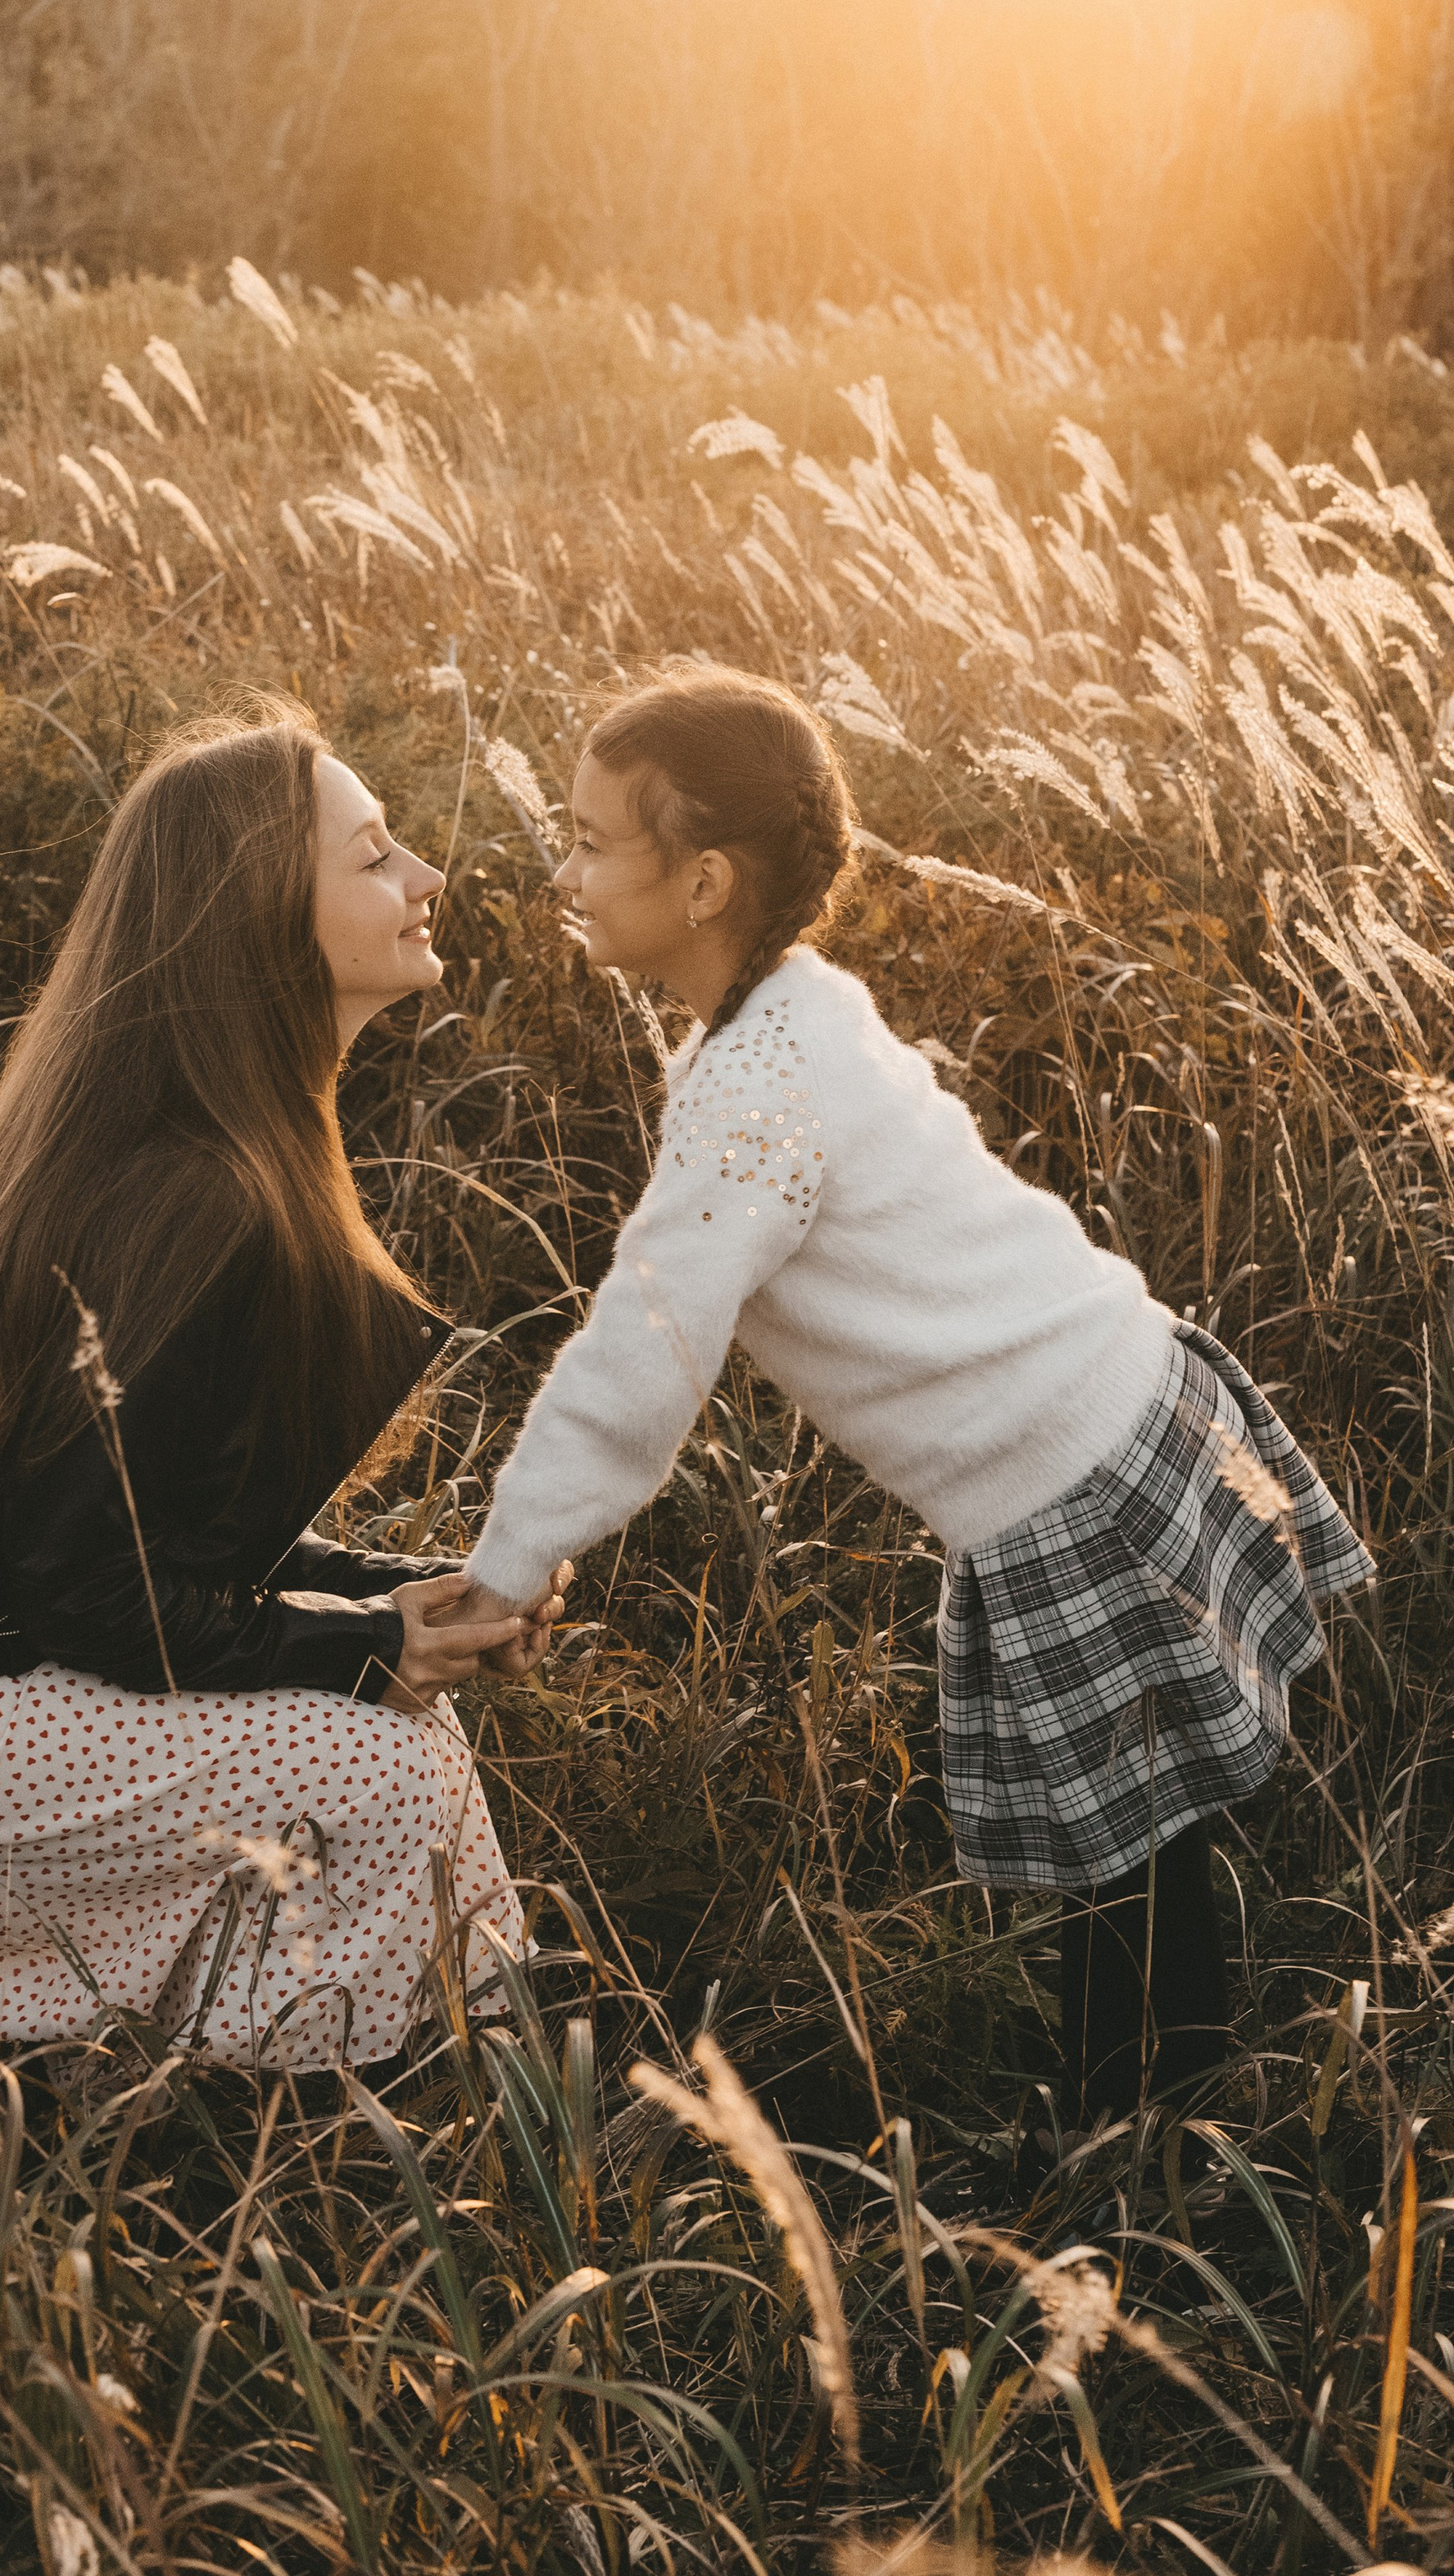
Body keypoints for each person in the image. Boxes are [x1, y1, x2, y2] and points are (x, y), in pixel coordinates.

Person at [457, 661, 1372, 2128]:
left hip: (1068, 1476)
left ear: (700, 883)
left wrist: (508, 1566)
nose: (560, 866)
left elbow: (646, 1352)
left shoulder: (757, 1087)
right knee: (1134, 1853)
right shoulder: (794, 1009)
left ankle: (1155, 2154)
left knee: (1119, 1868)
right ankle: (1153, 2123)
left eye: (585, 839)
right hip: (1112, 1403)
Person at [0, 708, 557, 2069]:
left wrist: (394, 1595)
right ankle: (372, 2105)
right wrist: (364, 1651)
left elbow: (143, 1517)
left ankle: (406, 2067)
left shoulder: (199, 1143)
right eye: (376, 854)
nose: (427, 877)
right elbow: (87, 1581)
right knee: (386, 1761)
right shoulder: (197, 1190)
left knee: (385, 1723)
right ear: (265, 918)